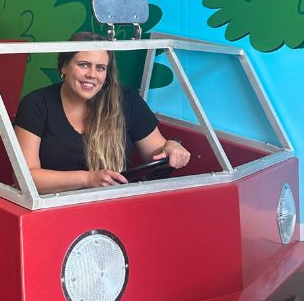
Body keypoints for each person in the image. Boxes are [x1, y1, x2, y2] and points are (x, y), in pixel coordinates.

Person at [14, 31, 190, 194]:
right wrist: (89, 179)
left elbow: (157, 155)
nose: (92, 74)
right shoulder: (36, 104)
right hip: (49, 208)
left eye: (100, 68)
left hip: (111, 205)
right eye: (84, 65)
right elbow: (26, 177)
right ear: (64, 67)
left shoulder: (126, 99)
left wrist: (172, 147)